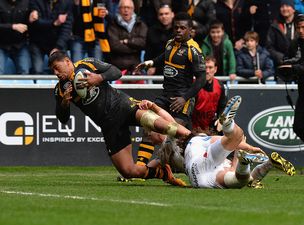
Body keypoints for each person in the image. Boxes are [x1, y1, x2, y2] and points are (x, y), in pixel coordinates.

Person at [48, 50, 190, 186]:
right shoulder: (60, 90)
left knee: (164, 126)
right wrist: (64, 103)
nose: (56, 73)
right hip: (109, 125)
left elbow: (116, 72)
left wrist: (98, 78)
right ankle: (163, 173)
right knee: (128, 171)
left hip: (123, 106)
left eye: (57, 68)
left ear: (67, 61)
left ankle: (195, 138)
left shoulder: (87, 64)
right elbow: (62, 118)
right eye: (52, 70)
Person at [158, 95, 296, 189]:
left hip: (199, 175)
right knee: (237, 139)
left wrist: (244, 150)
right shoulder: (201, 139)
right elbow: (227, 142)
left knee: (241, 179)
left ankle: (263, 163)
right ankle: (229, 126)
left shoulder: (194, 143)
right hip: (204, 169)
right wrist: (246, 148)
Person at [134, 12, 205, 167]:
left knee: (172, 134)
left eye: (182, 28)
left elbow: (202, 78)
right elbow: (164, 57)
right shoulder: (170, 43)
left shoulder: (194, 50)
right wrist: (150, 63)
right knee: (148, 124)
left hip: (181, 99)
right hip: (165, 95)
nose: (178, 30)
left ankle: (191, 165)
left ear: (190, 30)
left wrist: (184, 98)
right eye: (176, 27)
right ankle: (139, 168)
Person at [277, 14, 304, 142]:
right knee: (298, 127)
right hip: (302, 91)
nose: (301, 31)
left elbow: (296, 65)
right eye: (298, 28)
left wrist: (294, 68)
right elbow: (286, 60)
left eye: (303, 27)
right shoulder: (295, 43)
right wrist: (284, 68)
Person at [28, 0, 73, 74]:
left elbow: (67, 28)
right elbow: (35, 23)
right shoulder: (35, 1)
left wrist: (57, 47)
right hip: (38, 42)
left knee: (63, 70)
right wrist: (54, 23)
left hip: (57, 42)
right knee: (37, 70)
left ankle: (64, 86)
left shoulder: (66, 3)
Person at [107, 0, 147, 81]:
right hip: (117, 67)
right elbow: (114, 46)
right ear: (119, 9)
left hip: (136, 68)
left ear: (133, 9)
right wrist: (135, 47)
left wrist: (126, 41)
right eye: (123, 7)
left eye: (128, 7)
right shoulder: (113, 25)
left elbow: (143, 43)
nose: (126, 10)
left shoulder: (141, 24)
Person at [192, 56, 227, 133]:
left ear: (215, 69)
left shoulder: (220, 86)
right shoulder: (193, 84)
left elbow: (222, 107)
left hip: (210, 129)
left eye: (210, 67)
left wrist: (219, 121)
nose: (207, 71)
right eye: (205, 67)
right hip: (193, 129)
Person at [144, 3, 174, 82]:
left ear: (172, 15)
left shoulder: (179, 31)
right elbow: (148, 53)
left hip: (175, 69)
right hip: (157, 70)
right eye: (161, 14)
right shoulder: (151, 31)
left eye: (166, 14)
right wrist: (150, 66)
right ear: (158, 17)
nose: (164, 16)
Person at [0, 0, 31, 75]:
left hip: (20, 44)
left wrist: (35, 14)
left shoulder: (27, 2)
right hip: (1, 44)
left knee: (24, 72)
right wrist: (12, 27)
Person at [266, 0, 298, 70]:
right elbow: (269, 47)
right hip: (281, 65)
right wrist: (282, 58)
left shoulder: (301, 25)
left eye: (287, 6)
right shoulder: (274, 26)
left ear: (293, 9)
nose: (284, 9)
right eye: (282, 6)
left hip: (299, 65)